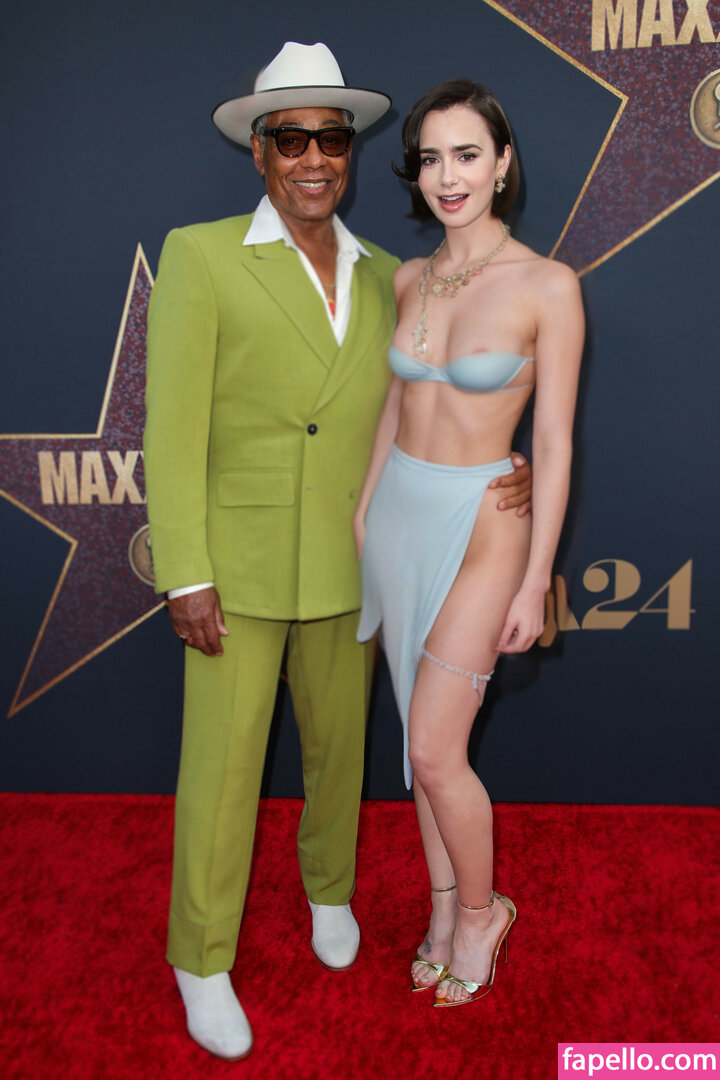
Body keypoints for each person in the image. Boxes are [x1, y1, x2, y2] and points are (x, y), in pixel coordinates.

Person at [144, 45, 531, 1057]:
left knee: (338, 754)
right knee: (221, 774)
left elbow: (432, 404)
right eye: (291, 138)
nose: (313, 157)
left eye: (332, 138)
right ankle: (200, 959)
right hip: (234, 567)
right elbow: (170, 429)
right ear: (259, 151)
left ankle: (329, 893)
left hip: (356, 558)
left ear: (351, 152)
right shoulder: (201, 254)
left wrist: (507, 460)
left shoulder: (389, 277)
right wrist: (185, 569)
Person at [355, 80, 584, 1007]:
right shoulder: (409, 277)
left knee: (437, 748)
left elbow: (555, 443)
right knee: (419, 746)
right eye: (430, 158)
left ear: (502, 164)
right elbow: (395, 402)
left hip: (486, 525)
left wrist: (536, 582)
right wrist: (364, 511)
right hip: (399, 518)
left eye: (467, 154)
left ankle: (484, 913)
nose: (447, 176)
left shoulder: (548, 285)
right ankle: (445, 905)